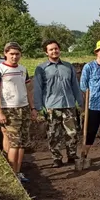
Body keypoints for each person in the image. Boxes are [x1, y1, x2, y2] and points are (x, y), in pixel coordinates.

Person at [0, 42, 37, 182]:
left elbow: (28, 90)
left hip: (24, 108)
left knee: (22, 143)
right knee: (14, 143)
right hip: (9, 109)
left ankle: (18, 171)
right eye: (11, 54)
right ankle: (12, 174)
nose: (14, 57)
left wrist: (32, 108)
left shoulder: (23, 69)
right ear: (5, 54)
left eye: (17, 54)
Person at [33, 39, 83, 167]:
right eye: (51, 49)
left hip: (69, 104)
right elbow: (38, 88)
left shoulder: (68, 67)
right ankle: (56, 158)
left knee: (71, 132)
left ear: (59, 50)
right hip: (51, 106)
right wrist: (38, 106)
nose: (54, 51)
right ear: (46, 52)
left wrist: (80, 102)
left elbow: (75, 85)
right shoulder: (41, 69)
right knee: (54, 134)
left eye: (56, 48)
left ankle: (72, 155)